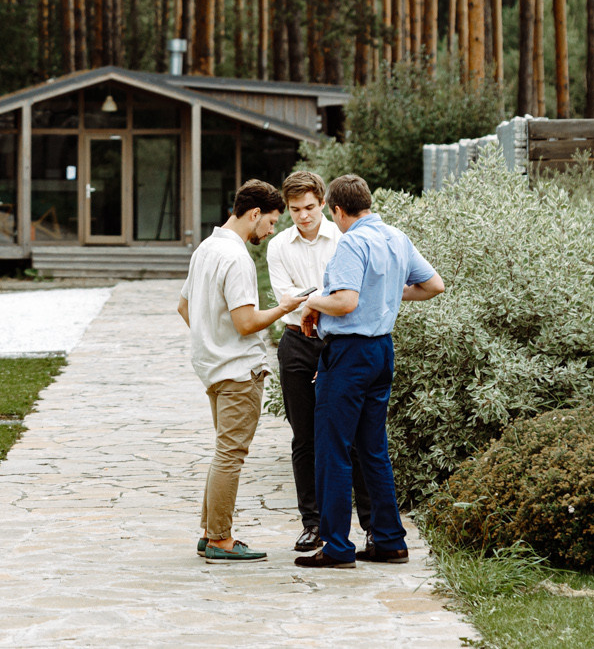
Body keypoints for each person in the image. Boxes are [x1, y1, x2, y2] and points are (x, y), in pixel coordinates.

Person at [293, 173, 446, 570]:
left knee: (333, 449)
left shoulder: (351, 242)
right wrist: (390, 295)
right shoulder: (396, 237)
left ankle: (338, 547)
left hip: (348, 355)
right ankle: (391, 541)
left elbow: (344, 302)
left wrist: (313, 300)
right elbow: (434, 286)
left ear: (337, 210)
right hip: (382, 351)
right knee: (373, 447)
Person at [177, 179, 304, 563]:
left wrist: (211, 340)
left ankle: (209, 532)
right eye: (271, 222)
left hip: (213, 369)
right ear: (254, 214)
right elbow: (247, 323)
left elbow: (184, 308)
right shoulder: (236, 257)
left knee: (223, 453)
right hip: (237, 372)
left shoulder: (205, 248)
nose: (271, 231)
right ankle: (220, 539)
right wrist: (285, 307)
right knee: (231, 455)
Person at [266, 168, 343, 554]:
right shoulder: (279, 246)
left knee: (344, 436)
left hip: (336, 342)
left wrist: (310, 298)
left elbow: (346, 294)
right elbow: (286, 299)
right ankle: (311, 523)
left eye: (310, 207)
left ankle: (346, 523)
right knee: (304, 437)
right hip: (296, 342)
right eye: (295, 209)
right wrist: (321, 298)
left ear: (323, 203)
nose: (304, 216)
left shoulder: (342, 239)